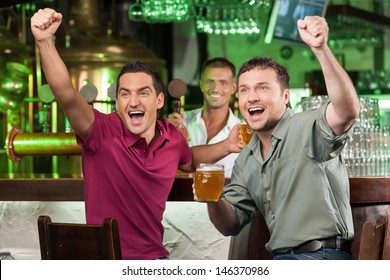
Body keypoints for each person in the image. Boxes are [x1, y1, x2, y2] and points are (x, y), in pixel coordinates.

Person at [31, 8, 243, 260]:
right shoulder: (101, 131)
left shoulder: (171, 137)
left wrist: (227, 145)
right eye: (125, 94)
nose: (133, 101)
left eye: (143, 92)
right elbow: (65, 93)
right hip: (106, 264)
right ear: (117, 103)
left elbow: (190, 161)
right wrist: (45, 42)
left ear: (159, 99)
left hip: (154, 260)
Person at [204, 16, 360, 260]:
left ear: (285, 96)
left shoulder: (305, 127)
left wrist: (321, 49)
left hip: (322, 257)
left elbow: (346, 111)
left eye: (262, 88)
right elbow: (229, 224)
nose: (252, 97)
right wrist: (211, 199)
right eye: (245, 90)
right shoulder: (246, 158)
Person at [168, 58, 241, 177]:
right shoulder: (181, 122)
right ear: (201, 84)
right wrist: (167, 137)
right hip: (181, 194)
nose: (215, 89)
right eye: (210, 82)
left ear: (233, 88)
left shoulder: (241, 133)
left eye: (223, 82)